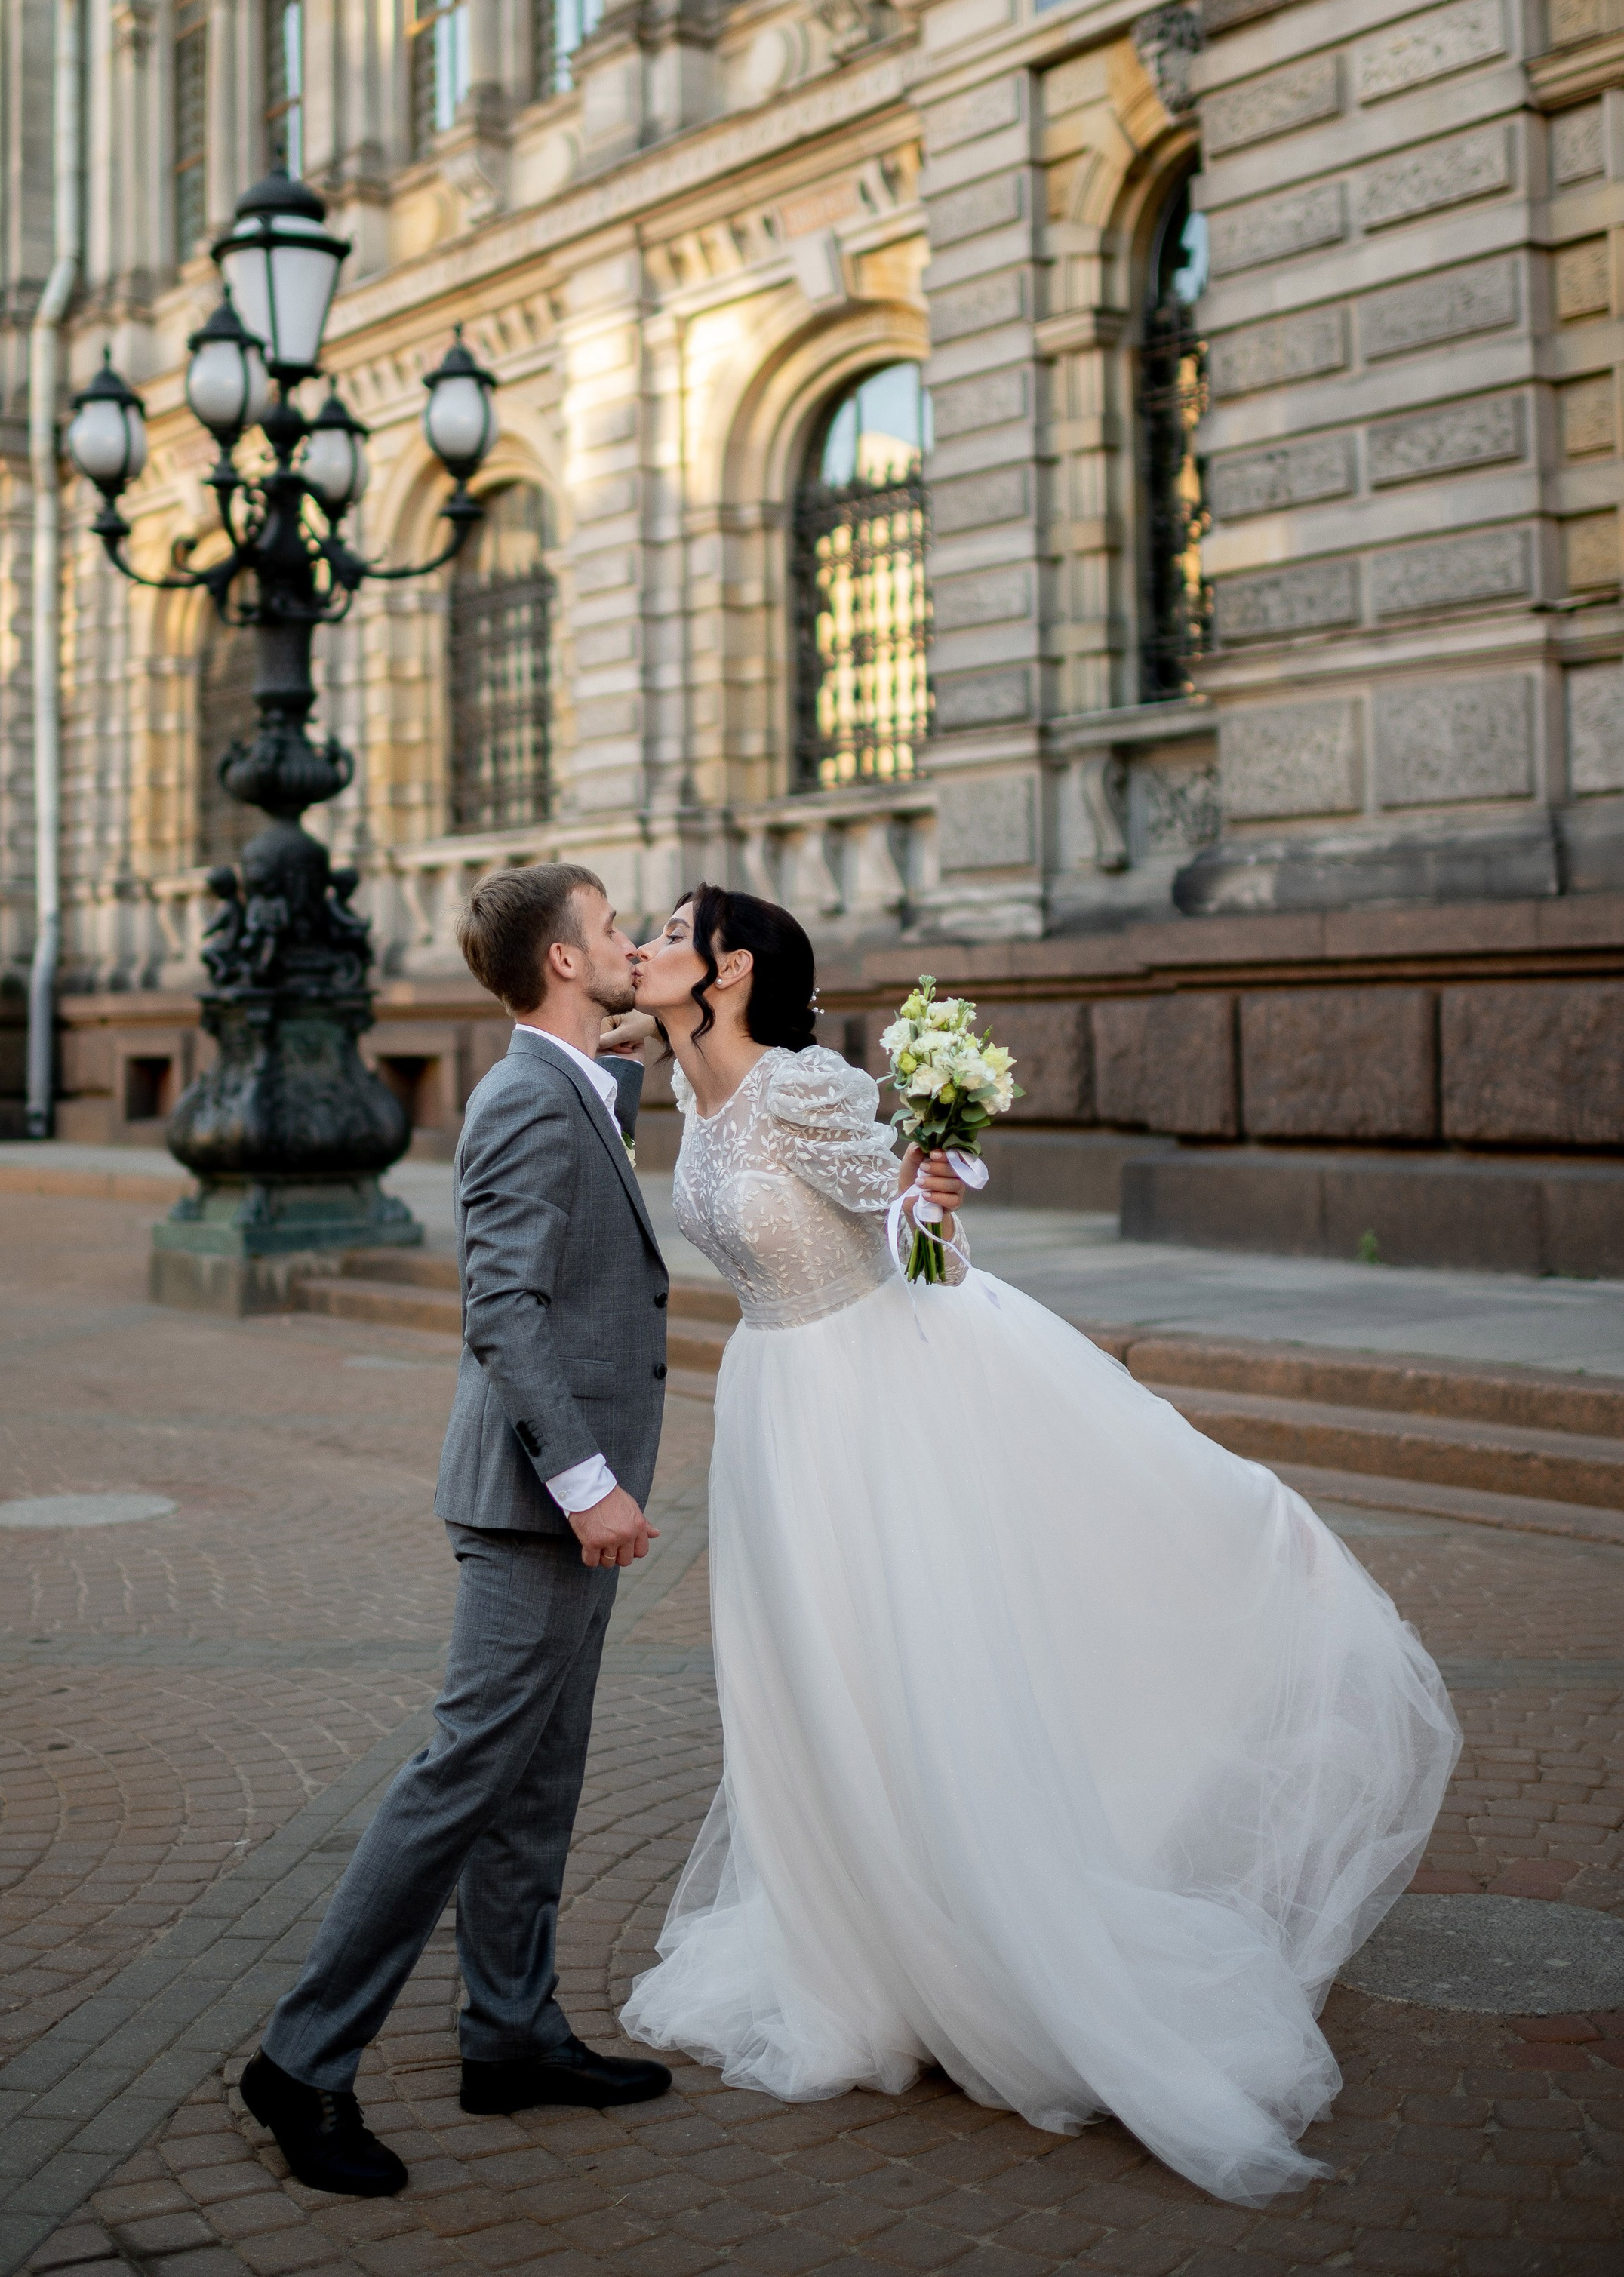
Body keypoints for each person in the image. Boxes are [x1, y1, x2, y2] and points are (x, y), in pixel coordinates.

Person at [618, 887, 1461, 2208]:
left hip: (870, 1395)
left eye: (669, 932)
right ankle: (856, 1951)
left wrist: (936, 1180)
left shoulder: (805, 1085)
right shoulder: (692, 1089)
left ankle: (983, 1938)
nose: (645, 948)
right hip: (772, 1404)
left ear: (728, 968)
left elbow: (922, 1244)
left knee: (911, 1667)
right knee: (807, 1684)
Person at [240, 863, 675, 2197]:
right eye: (609, 929)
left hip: (558, 1499)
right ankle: (303, 2062)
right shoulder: (520, 1099)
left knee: (535, 1780)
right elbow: (504, 1309)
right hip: (538, 1498)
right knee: (455, 1781)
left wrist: (642, 1041)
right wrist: (590, 1479)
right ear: (560, 958)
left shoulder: (565, 1083)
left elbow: (596, 1141)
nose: (628, 942)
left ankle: (512, 2032)